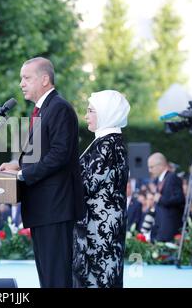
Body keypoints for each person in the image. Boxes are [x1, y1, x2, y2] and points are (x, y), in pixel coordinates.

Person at [0, 57, 84, 288]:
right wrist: (19, 164)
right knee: (48, 278)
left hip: (55, 207)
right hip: (44, 207)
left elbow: (59, 155)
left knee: (55, 278)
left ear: (45, 79)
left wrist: (23, 175)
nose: (21, 84)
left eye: (26, 78)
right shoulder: (43, 108)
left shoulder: (59, 108)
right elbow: (44, 153)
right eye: (21, 78)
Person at [73, 90, 130, 288]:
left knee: (100, 280)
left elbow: (85, 184)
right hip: (99, 227)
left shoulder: (108, 145)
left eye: (91, 111)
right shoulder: (107, 142)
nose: (86, 116)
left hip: (100, 231)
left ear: (107, 112)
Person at [147, 152, 185, 242]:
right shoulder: (160, 180)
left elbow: (180, 199)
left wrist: (160, 199)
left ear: (160, 165)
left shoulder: (172, 177)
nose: (150, 170)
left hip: (169, 230)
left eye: (151, 167)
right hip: (160, 228)